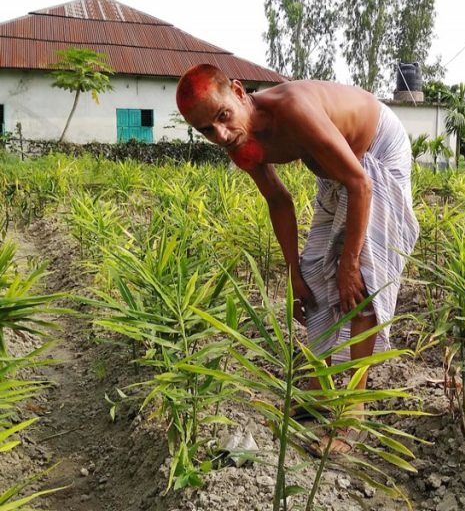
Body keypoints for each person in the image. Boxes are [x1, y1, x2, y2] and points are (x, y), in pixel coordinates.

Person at [175, 64, 419, 453]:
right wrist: (293, 274)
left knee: (360, 281)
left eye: (222, 117)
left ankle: (352, 407)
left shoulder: (293, 109)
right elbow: (279, 200)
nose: (219, 134)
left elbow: (360, 183)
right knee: (315, 274)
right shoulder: (239, 143)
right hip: (335, 168)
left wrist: (350, 263)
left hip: (375, 154)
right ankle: (321, 387)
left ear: (239, 92)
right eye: (206, 130)